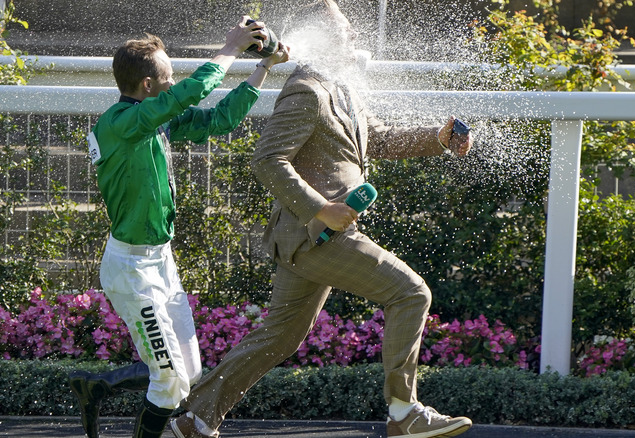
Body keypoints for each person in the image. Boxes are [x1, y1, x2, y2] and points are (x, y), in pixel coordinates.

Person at [170, 2, 473, 438]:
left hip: (313, 239)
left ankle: (193, 419)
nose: (353, 37)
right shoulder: (307, 90)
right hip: (316, 237)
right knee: (411, 294)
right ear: (323, 39)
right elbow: (268, 160)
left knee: (280, 336)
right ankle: (405, 414)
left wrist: (438, 138)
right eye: (344, 31)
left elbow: (379, 140)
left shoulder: (342, 87)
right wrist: (320, 208)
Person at [67, 17, 290, 438]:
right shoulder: (119, 123)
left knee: (187, 373)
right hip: (132, 271)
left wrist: (263, 68)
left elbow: (219, 119)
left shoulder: (153, 119)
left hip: (160, 261)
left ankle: (98, 387)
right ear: (148, 86)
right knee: (169, 385)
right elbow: (190, 92)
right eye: (168, 77)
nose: (175, 84)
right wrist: (230, 48)